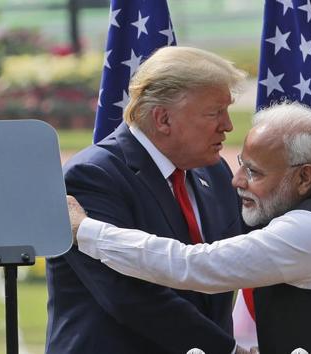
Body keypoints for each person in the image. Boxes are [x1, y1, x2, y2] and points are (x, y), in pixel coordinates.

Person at [67, 102, 311, 354]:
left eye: (254, 172)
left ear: (304, 177)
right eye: (241, 162)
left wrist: (85, 230)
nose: (236, 180)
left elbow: (191, 266)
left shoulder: (305, 230)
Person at [45, 46, 248, 354]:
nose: (228, 125)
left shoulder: (213, 170)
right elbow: (129, 296)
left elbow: (238, 259)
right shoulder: (92, 176)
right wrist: (224, 350)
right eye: (214, 112)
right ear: (163, 119)